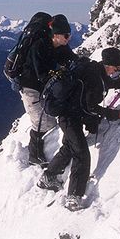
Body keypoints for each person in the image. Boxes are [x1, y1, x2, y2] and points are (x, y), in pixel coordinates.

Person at [37, 47, 120, 211]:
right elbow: (91, 106)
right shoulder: (94, 76)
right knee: (81, 154)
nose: (117, 71)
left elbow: (107, 83)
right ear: (108, 65)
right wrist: (117, 114)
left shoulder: (96, 70)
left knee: (71, 146)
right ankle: (73, 197)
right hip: (68, 116)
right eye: (117, 68)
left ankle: (47, 177)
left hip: (72, 113)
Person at [19, 14, 77, 167]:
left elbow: (73, 59)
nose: (68, 38)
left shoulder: (61, 46)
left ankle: (42, 151)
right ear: (56, 35)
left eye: (69, 35)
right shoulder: (39, 46)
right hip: (30, 87)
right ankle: (34, 155)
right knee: (41, 122)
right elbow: (41, 74)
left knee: (48, 120)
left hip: (44, 87)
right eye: (65, 35)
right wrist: (57, 76)